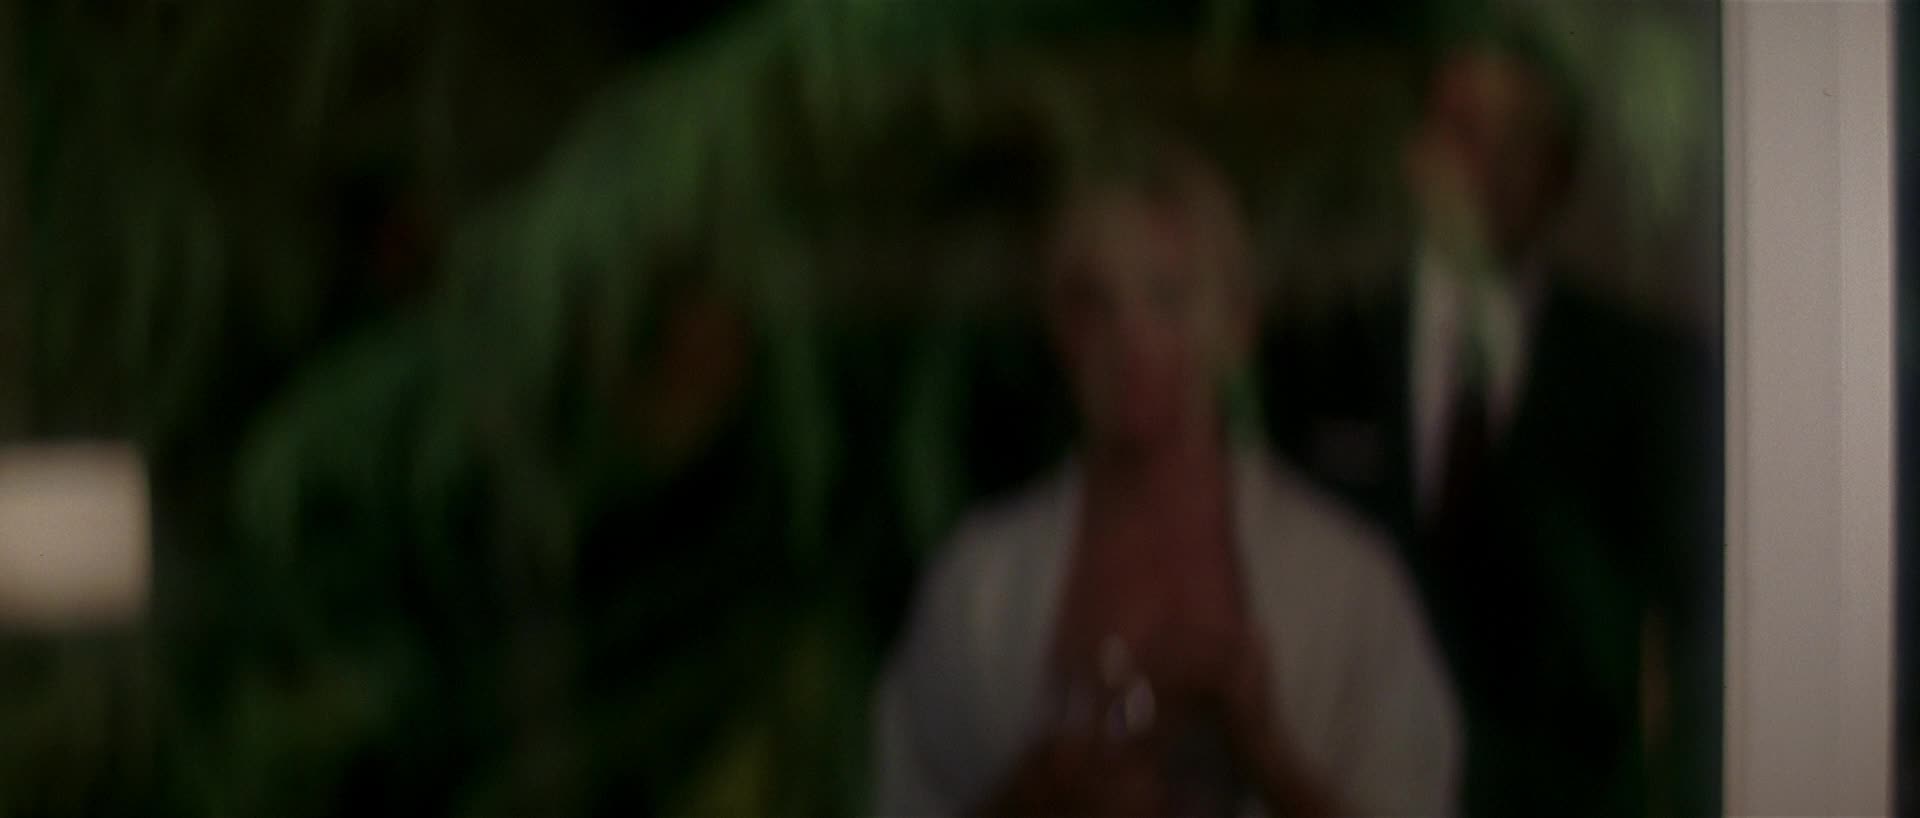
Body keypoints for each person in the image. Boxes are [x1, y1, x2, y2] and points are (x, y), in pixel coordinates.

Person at [872, 134, 1461, 817]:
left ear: (1237, 322)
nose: (1131, 340)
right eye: (1095, 303)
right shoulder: (979, 584)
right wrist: (1041, 788)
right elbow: (902, 795)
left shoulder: (1347, 580)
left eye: (1168, 298)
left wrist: (1267, 755)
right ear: (1060, 328)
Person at [1263, 31, 1720, 818]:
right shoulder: (1315, 357)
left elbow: (1686, 632)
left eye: (1523, 141)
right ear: (1415, 154)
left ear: (1562, 172)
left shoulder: (1646, 373)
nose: (1490, 165)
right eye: (1463, 129)